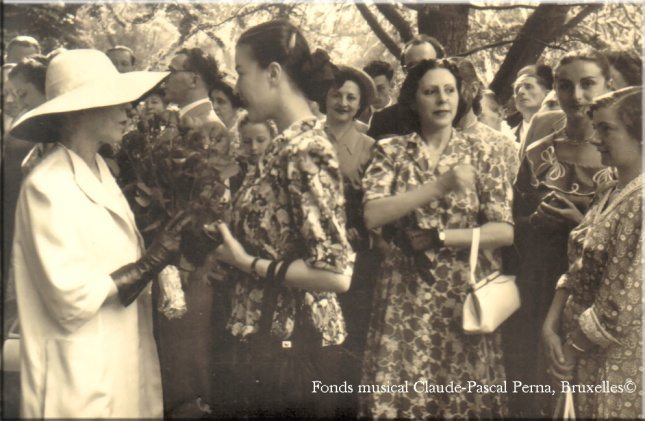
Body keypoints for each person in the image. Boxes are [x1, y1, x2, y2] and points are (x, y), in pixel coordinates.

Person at [8, 48, 187, 418]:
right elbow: (70, 296)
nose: (128, 112)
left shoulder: (103, 173)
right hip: (78, 375)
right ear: (82, 111)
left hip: (117, 361)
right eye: (117, 103)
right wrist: (149, 263)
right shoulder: (46, 186)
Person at [208, 19, 354, 418]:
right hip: (265, 346)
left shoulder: (306, 149)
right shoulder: (282, 145)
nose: (237, 86)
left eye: (241, 72)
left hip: (294, 354)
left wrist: (247, 263)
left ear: (273, 73)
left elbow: (336, 274)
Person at [359, 59, 513, 419]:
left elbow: (503, 231)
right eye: (430, 91)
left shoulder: (485, 153)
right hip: (405, 297)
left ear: (462, 96)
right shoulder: (391, 151)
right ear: (413, 101)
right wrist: (438, 187)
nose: (442, 99)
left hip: (464, 295)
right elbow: (373, 214)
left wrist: (440, 237)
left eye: (449, 90)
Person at [502, 48, 615, 418]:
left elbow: (628, 228)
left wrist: (579, 218)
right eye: (566, 86)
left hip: (592, 286)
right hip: (535, 280)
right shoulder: (537, 148)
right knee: (529, 381)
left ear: (607, 86)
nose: (577, 96)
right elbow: (510, 223)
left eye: (588, 84)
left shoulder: (621, 153)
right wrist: (533, 221)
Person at [542, 86, 642, 419]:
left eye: (607, 129)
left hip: (617, 358)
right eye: (595, 127)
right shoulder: (609, 187)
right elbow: (579, 265)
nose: (596, 139)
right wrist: (550, 324)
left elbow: (623, 299)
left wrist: (571, 351)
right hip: (577, 347)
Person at [154, 46, 229, 418]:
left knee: (187, 361)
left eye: (173, 70)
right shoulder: (175, 125)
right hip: (170, 260)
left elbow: (210, 208)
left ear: (194, 78)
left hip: (190, 265)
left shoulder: (210, 129)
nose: (166, 77)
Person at [320, 63, 377, 415]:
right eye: (336, 95)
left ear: (361, 104)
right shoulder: (307, 134)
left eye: (351, 97)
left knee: (350, 328)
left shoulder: (369, 145)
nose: (343, 102)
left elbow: (374, 201)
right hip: (311, 247)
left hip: (356, 249)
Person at [452, 57, 519, 185]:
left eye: (451, 89)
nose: (444, 98)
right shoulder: (432, 141)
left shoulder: (501, 144)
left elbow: (518, 198)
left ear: (474, 89)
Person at [367, 35, 445, 140]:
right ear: (405, 71)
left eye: (426, 63)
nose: (419, 70)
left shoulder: (455, 113)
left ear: (441, 66)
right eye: (412, 66)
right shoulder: (383, 120)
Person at [511, 64, 553, 147]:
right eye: (517, 88)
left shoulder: (563, 129)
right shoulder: (507, 133)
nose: (520, 91)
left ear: (547, 93)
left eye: (528, 87)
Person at [209, 73, 245, 155]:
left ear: (235, 104)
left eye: (221, 102)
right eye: (212, 101)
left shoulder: (242, 133)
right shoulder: (218, 130)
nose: (214, 107)